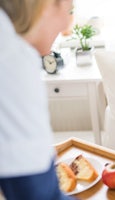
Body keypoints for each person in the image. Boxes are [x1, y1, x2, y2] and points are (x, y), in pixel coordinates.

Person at [0, 0, 75, 199]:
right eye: (69, 9)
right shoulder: (12, 59)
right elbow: (39, 195)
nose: (67, 24)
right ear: (47, 4)